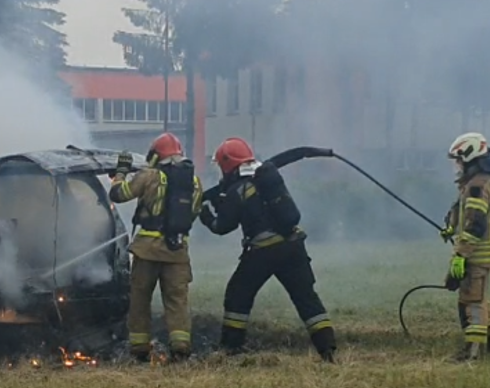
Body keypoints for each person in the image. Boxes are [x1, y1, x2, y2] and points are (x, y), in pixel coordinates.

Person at [199, 137, 339, 363]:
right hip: (293, 246)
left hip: (263, 252)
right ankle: (328, 349)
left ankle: (231, 347)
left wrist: (206, 216)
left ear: (227, 163)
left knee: (238, 294)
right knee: (306, 297)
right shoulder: (267, 177)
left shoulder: (238, 189)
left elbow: (223, 227)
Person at [108, 133, 199, 363]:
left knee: (140, 298)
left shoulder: (148, 176)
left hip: (147, 251)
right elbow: (193, 213)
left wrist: (120, 173)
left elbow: (118, 195)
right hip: (177, 251)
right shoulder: (194, 182)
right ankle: (180, 348)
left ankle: (139, 350)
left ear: (156, 155)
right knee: (177, 301)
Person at [440, 132, 490, 362]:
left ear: (469, 158)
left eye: (458, 160)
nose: (456, 166)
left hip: (477, 253)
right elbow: (462, 208)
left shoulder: (477, 186)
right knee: (481, 296)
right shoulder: (481, 182)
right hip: (482, 251)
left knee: (471, 300)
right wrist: (450, 226)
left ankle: (473, 352)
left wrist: (460, 255)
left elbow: (475, 225)